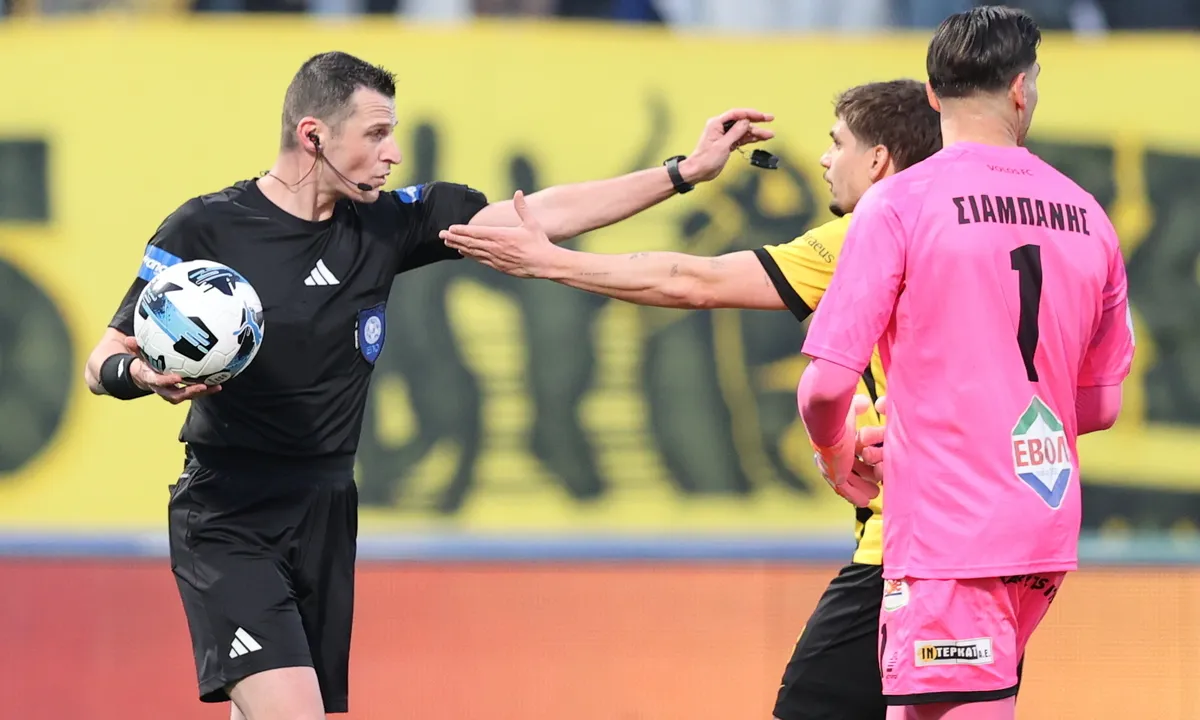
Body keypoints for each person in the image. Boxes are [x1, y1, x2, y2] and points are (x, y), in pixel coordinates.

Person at [82, 51, 772, 720]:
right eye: (376, 134)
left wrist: (684, 172)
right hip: (228, 514)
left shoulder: (389, 223)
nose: (394, 153)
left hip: (324, 509)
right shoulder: (208, 227)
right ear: (313, 135)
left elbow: (542, 217)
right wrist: (138, 374)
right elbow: (103, 360)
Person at [438, 79, 942, 719]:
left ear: (877, 160)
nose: (823, 158)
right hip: (991, 539)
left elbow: (694, 280)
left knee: (812, 706)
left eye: (836, 143)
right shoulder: (969, 234)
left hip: (905, 547)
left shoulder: (871, 234)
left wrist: (550, 261)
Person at [795, 7, 1133, 720]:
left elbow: (824, 386)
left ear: (931, 92)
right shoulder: (1088, 214)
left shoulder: (898, 205)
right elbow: (1101, 405)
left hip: (951, 534)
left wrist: (837, 453)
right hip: (1042, 529)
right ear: (1020, 89)